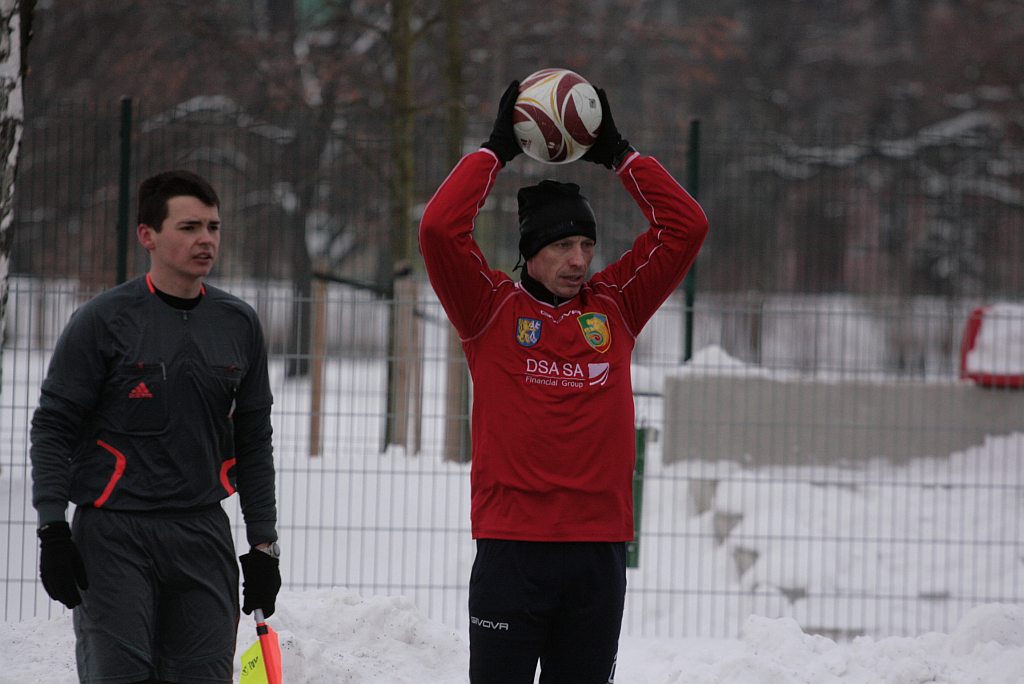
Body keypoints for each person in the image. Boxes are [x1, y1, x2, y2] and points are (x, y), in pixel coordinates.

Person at [419, 82, 709, 683]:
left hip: (597, 553)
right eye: (561, 246)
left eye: (585, 245)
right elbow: (441, 230)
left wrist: (621, 156)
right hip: (511, 549)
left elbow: (686, 227)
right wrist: (495, 151)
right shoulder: (489, 310)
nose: (578, 260)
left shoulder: (617, 306)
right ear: (530, 252)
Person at [30, 170, 281, 684]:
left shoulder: (239, 324)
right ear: (148, 235)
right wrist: (52, 527)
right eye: (189, 227)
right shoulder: (102, 321)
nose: (205, 240)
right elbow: (53, 426)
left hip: (202, 532)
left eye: (213, 227)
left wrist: (263, 547)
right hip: (113, 536)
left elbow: (254, 441)